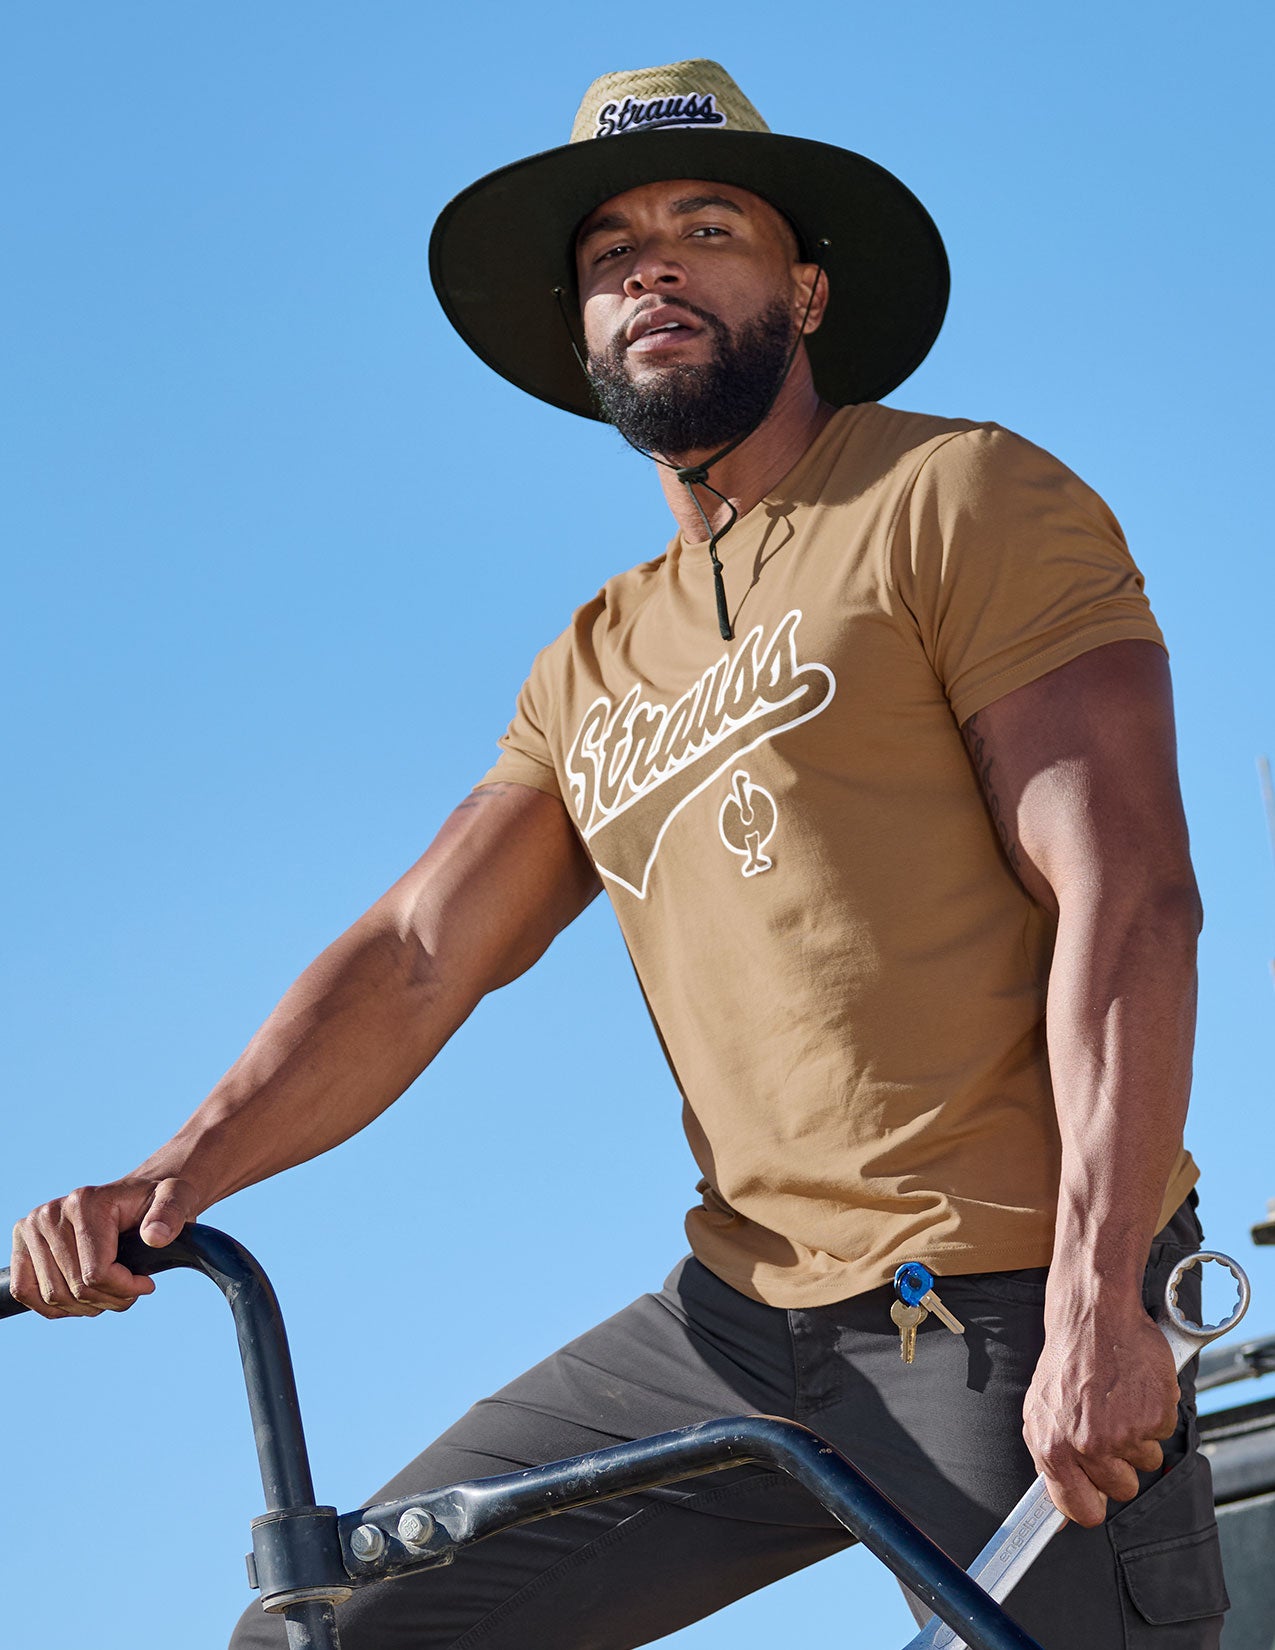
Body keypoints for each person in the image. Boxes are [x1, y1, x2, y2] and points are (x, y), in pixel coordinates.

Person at [10, 59, 1226, 1649]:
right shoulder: (592, 665)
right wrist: (171, 1179)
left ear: (804, 289)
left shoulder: (957, 497)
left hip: (1003, 1302)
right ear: (584, 331)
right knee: (334, 1630)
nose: (652, 269)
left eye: (706, 228)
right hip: (737, 1325)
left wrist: (1101, 1287)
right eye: (612, 253)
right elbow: (419, 953)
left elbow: (1130, 893)